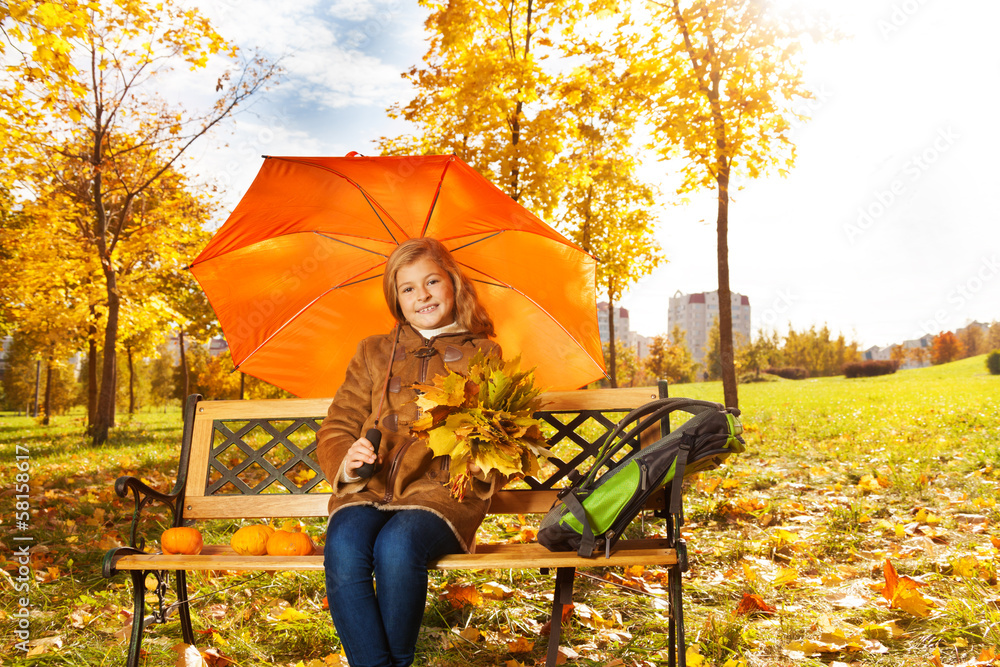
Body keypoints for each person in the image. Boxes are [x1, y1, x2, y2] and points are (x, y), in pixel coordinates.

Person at [316, 237, 503, 667]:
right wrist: (349, 457)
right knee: (345, 540)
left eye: (432, 281)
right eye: (408, 288)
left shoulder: (483, 353)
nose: (422, 295)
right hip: (370, 489)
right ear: (396, 299)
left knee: (397, 546)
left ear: (454, 284)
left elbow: (499, 438)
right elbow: (338, 424)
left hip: (441, 495)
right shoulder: (373, 352)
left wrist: (475, 456)